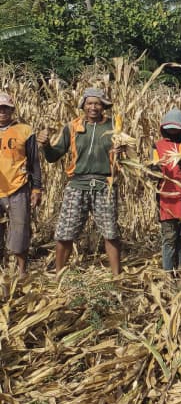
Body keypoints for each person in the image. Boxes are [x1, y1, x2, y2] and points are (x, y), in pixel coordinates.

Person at [39, 88, 124, 275]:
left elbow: (126, 159)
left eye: (97, 103)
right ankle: (59, 273)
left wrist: (121, 153)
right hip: (77, 185)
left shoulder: (114, 128)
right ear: (83, 105)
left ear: (103, 106)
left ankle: (117, 275)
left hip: (105, 185)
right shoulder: (72, 127)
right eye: (89, 103)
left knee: (110, 233)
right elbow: (54, 156)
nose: (93, 107)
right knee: (65, 233)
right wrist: (45, 146)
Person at [149, 109, 181, 273]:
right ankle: (168, 274)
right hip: (166, 199)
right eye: (169, 128)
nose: (172, 131)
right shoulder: (158, 145)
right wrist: (153, 171)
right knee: (169, 238)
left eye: (175, 128)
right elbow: (152, 175)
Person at [0, 92, 42, 276]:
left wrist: (36, 187)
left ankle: (21, 270)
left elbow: (34, 161)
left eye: (5, 108)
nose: (2, 112)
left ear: (12, 110)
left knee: (20, 228)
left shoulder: (25, 130)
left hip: (18, 186)